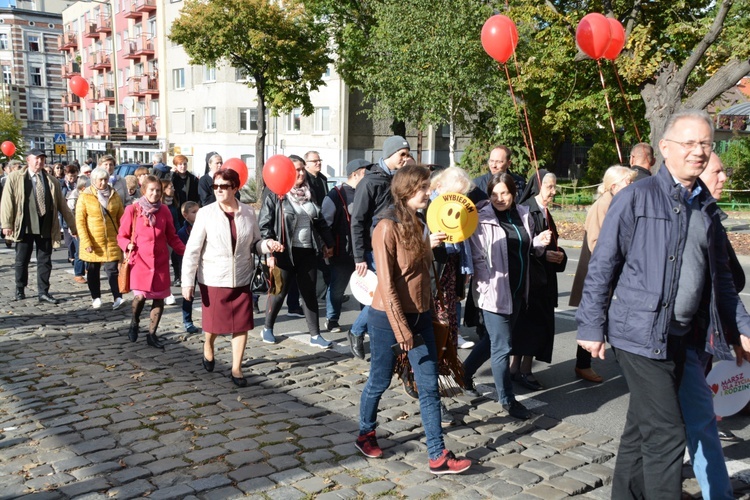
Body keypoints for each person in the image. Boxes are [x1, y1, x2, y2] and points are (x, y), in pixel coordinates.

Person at [576, 109, 750, 500]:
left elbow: (722, 280)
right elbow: (604, 264)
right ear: (666, 148)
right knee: (668, 432)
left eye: (705, 143)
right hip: (638, 336)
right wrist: (590, 326)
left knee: (641, 427)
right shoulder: (636, 197)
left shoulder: (705, 208)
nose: (699, 151)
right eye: (689, 143)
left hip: (683, 338)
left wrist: (744, 327)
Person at [355, 164, 472, 475]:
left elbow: (420, 272)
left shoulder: (420, 222)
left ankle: (437, 455)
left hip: (420, 315)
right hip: (387, 318)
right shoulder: (385, 228)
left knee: (429, 385)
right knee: (379, 381)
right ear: (406, 190)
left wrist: (429, 248)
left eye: (428, 187)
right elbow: (389, 284)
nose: (428, 193)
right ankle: (365, 432)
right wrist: (401, 329)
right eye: (423, 188)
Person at [461, 173, 551, 420]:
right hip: (494, 292)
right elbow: (477, 257)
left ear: (513, 193)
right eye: (494, 194)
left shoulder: (523, 214)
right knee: (503, 346)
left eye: (505, 193)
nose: (499, 199)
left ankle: (464, 372)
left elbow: (525, 248)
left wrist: (538, 243)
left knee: (493, 341)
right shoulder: (480, 218)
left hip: (519, 290)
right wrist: (485, 284)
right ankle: (507, 400)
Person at [182, 169, 282, 387]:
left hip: (241, 277)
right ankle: (208, 345)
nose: (218, 190)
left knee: (241, 325)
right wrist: (187, 281)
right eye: (215, 186)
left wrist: (268, 245)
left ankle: (236, 368)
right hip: (214, 278)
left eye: (223, 186)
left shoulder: (247, 212)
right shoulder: (206, 213)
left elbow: (255, 242)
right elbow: (192, 250)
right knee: (214, 325)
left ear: (235, 188)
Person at [258, 157, 335, 348]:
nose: (300, 173)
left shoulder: (310, 192)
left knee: (309, 293)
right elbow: (265, 224)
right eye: (296, 170)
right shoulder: (275, 193)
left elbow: (319, 220)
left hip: (307, 250)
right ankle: (267, 327)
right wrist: (270, 252)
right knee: (278, 292)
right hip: (283, 252)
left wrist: (328, 243)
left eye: (301, 170)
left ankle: (315, 335)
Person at [569, 166, 635, 383]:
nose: (632, 186)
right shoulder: (603, 205)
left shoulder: (617, 201)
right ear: (614, 186)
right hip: (601, 275)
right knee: (599, 318)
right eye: (628, 182)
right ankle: (584, 365)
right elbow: (597, 244)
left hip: (612, 273)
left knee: (610, 318)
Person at [349, 136, 411, 356]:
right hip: (374, 249)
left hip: (399, 246)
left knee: (393, 294)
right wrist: (359, 257)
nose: (405, 159)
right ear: (389, 154)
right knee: (383, 294)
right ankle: (357, 331)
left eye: (407, 154)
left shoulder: (402, 180)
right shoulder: (370, 181)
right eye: (401, 154)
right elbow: (357, 221)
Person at [511, 170, 567, 390]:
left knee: (535, 326)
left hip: (544, 280)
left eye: (554, 187)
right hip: (530, 282)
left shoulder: (544, 210)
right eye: (549, 187)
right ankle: (520, 370)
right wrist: (542, 253)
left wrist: (558, 254)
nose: (553, 192)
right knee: (528, 326)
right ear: (538, 186)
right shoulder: (526, 209)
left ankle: (521, 368)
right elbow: (519, 245)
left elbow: (550, 244)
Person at [0, 149, 77, 304]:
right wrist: (6, 224)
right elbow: (7, 202)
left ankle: (43, 292)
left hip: (46, 223)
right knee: (22, 258)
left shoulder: (51, 180)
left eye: (42, 159)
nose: (39, 162)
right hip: (25, 223)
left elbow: (63, 205)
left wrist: (72, 226)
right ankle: (20, 288)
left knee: (45, 259)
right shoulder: (16, 178)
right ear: (28, 160)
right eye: (37, 159)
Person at [118, 175, 186, 348]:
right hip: (139, 261)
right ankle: (134, 321)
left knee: (159, 299)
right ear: (144, 191)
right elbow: (121, 236)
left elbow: (172, 236)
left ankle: (152, 334)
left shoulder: (164, 211)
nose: (155, 194)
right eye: (151, 190)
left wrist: (185, 252)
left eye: (158, 190)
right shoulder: (132, 210)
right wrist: (127, 245)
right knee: (140, 297)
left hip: (160, 262)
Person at [430, 167, 476, 352]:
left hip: (451, 265)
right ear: (439, 187)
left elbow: (464, 236)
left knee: (450, 311)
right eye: (455, 193)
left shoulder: (457, 207)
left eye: (462, 194)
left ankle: (446, 356)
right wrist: (428, 243)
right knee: (438, 317)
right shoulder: (427, 207)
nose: (459, 198)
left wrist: (465, 268)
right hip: (434, 269)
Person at [321, 159, 368, 343]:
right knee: (338, 287)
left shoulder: (367, 191)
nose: (368, 176)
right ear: (355, 173)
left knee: (367, 287)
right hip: (342, 251)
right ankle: (332, 319)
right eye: (365, 172)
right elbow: (325, 222)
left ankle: (366, 323)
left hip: (363, 249)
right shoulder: (335, 195)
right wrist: (329, 245)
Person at [76, 167, 125, 310]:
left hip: (111, 238)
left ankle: (118, 297)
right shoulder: (85, 196)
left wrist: (123, 237)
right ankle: (96, 297)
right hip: (93, 238)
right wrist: (86, 241)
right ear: (93, 181)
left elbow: (121, 217)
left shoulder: (114, 195)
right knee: (93, 269)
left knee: (112, 269)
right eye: (100, 180)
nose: (103, 182)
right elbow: (80, 221)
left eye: (106, 179)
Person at [177, 201, 200, 334]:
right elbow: (181, 253)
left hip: (204, 265)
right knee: (188, 295)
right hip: (190, 267)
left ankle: (212, 321)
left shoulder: (205, 226)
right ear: (186, 215)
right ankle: (187, 321)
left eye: (199, 211)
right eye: (194, 212)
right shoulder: (183, 232)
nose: (198, 214)